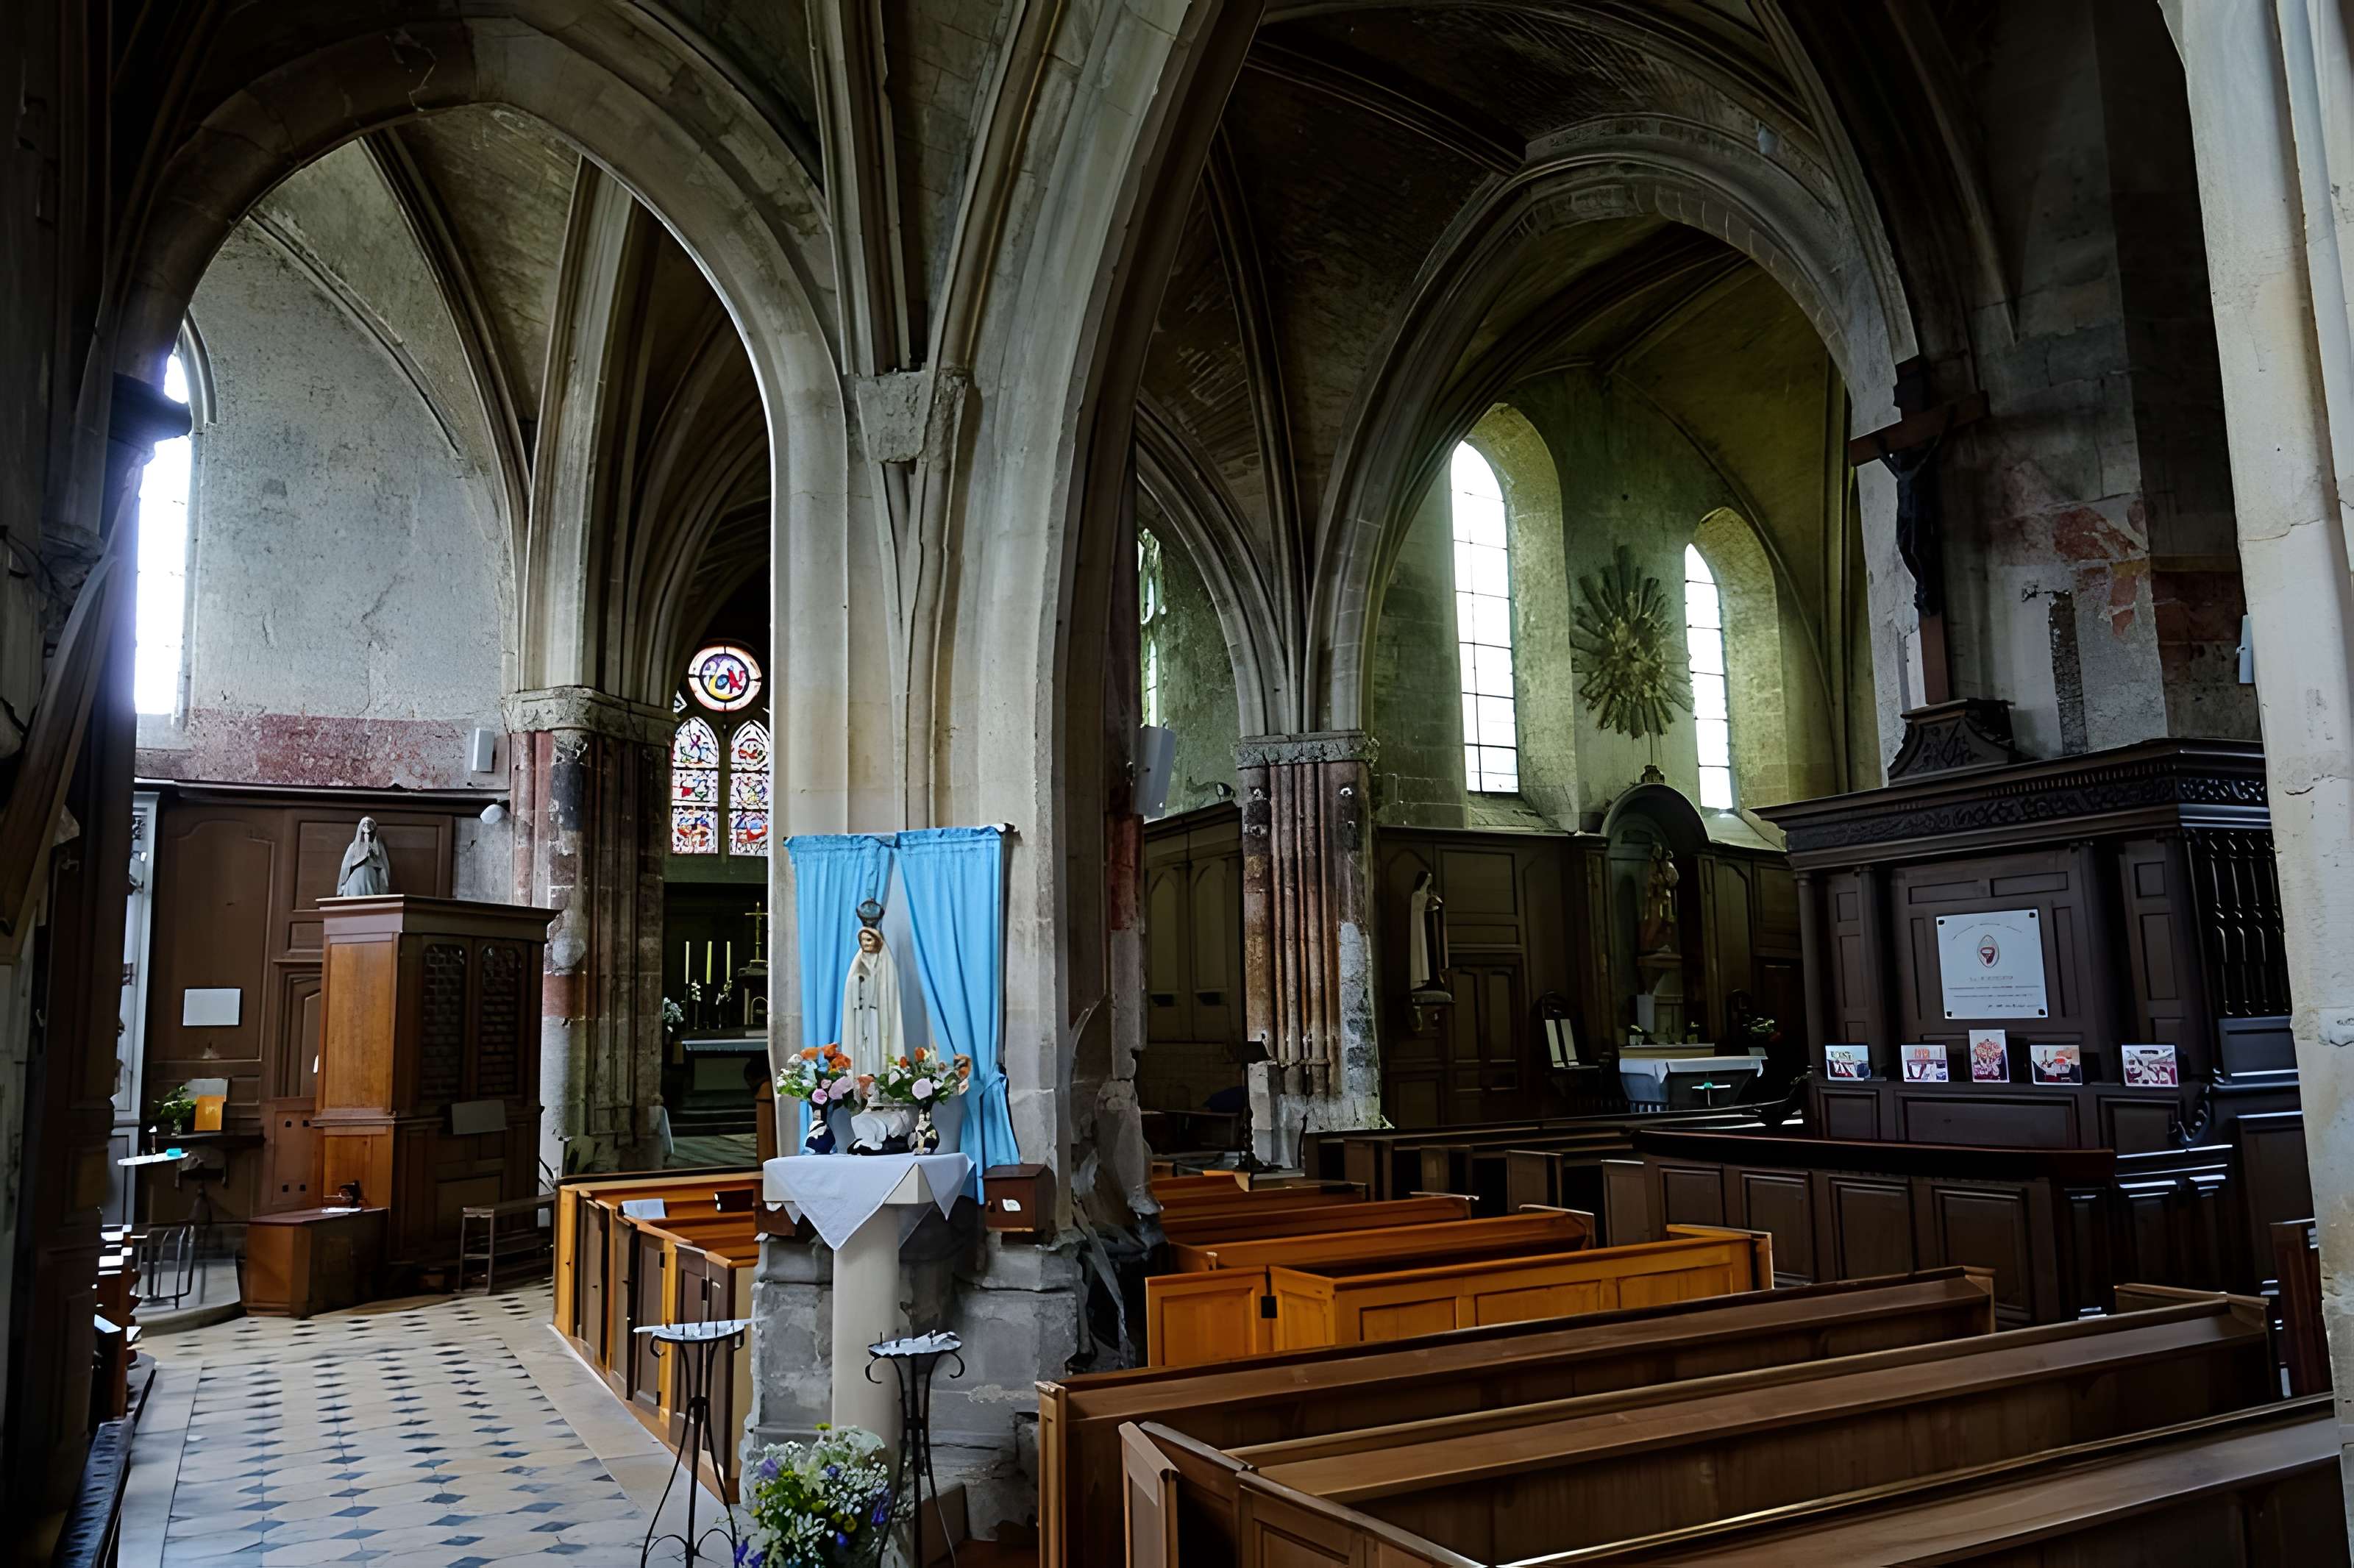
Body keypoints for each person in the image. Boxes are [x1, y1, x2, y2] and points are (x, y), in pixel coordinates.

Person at [335, 816, 391, 897]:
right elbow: (345, 868)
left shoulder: (378, 847)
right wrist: (341, 888)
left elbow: (384, 868)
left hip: (371, 881)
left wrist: (384, 888)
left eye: (369, 832)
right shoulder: (354, 847)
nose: (367, 835)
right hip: (355, 883)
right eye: (364, 831)